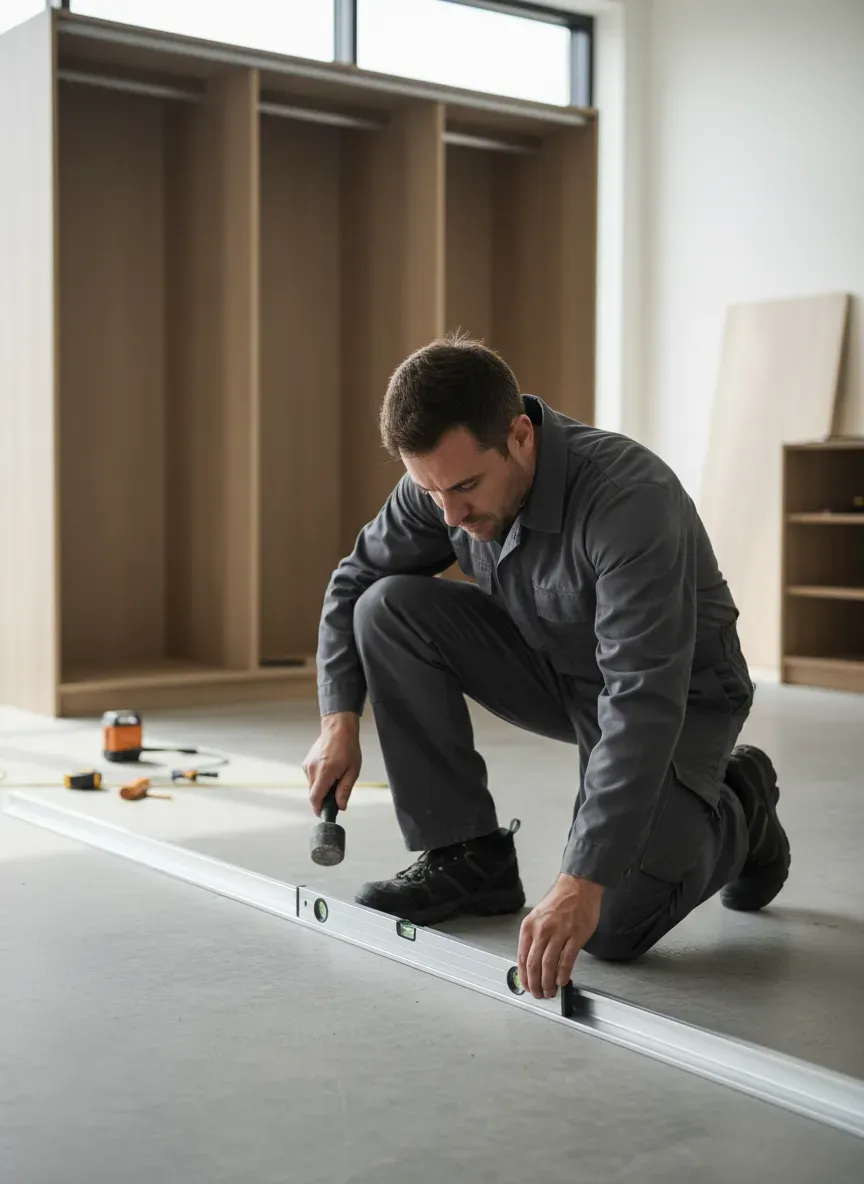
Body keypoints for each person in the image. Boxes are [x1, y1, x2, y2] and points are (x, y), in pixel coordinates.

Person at [302, 333, 791, 1002]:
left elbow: (642, 700)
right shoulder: (444, 482)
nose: (449, 512)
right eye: (431, 489)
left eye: (467, 487)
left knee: (611, 927)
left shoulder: (628, 500)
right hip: (556, 665)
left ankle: (742, 804)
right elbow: (356, 579)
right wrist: (338, 719)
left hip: (677, 696)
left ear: (521, 437)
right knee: (388, 607)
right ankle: (468, 855)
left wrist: (580, 879)